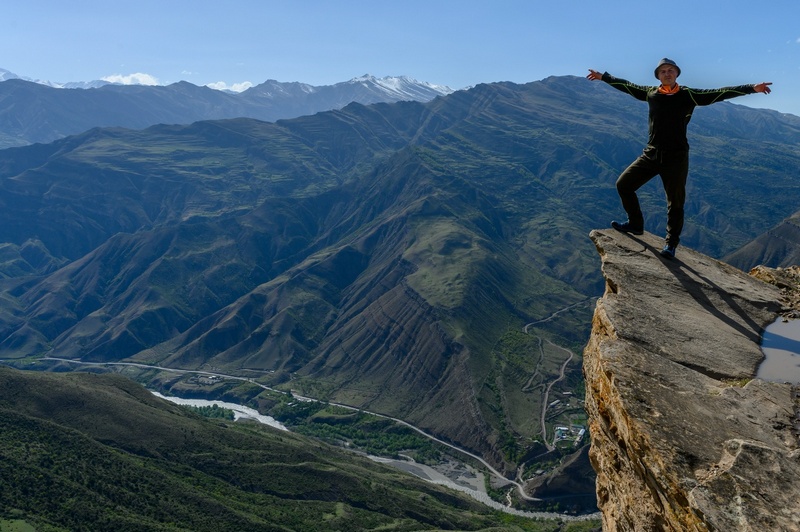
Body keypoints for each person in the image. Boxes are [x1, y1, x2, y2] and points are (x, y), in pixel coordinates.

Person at [587, 58, 772, 259]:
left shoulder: (688, 95)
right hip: (651, 154)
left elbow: (720, 92)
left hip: (676, 157)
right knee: (623, 184)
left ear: (676, 74)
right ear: (658, 76)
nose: (667, 73)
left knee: (675, 203)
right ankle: (635, 224)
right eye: (663, 71)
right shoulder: (651, 93)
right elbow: (626, 85)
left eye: (671, 70)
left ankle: (671, 244)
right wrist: (603, 77)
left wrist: (752, 88)